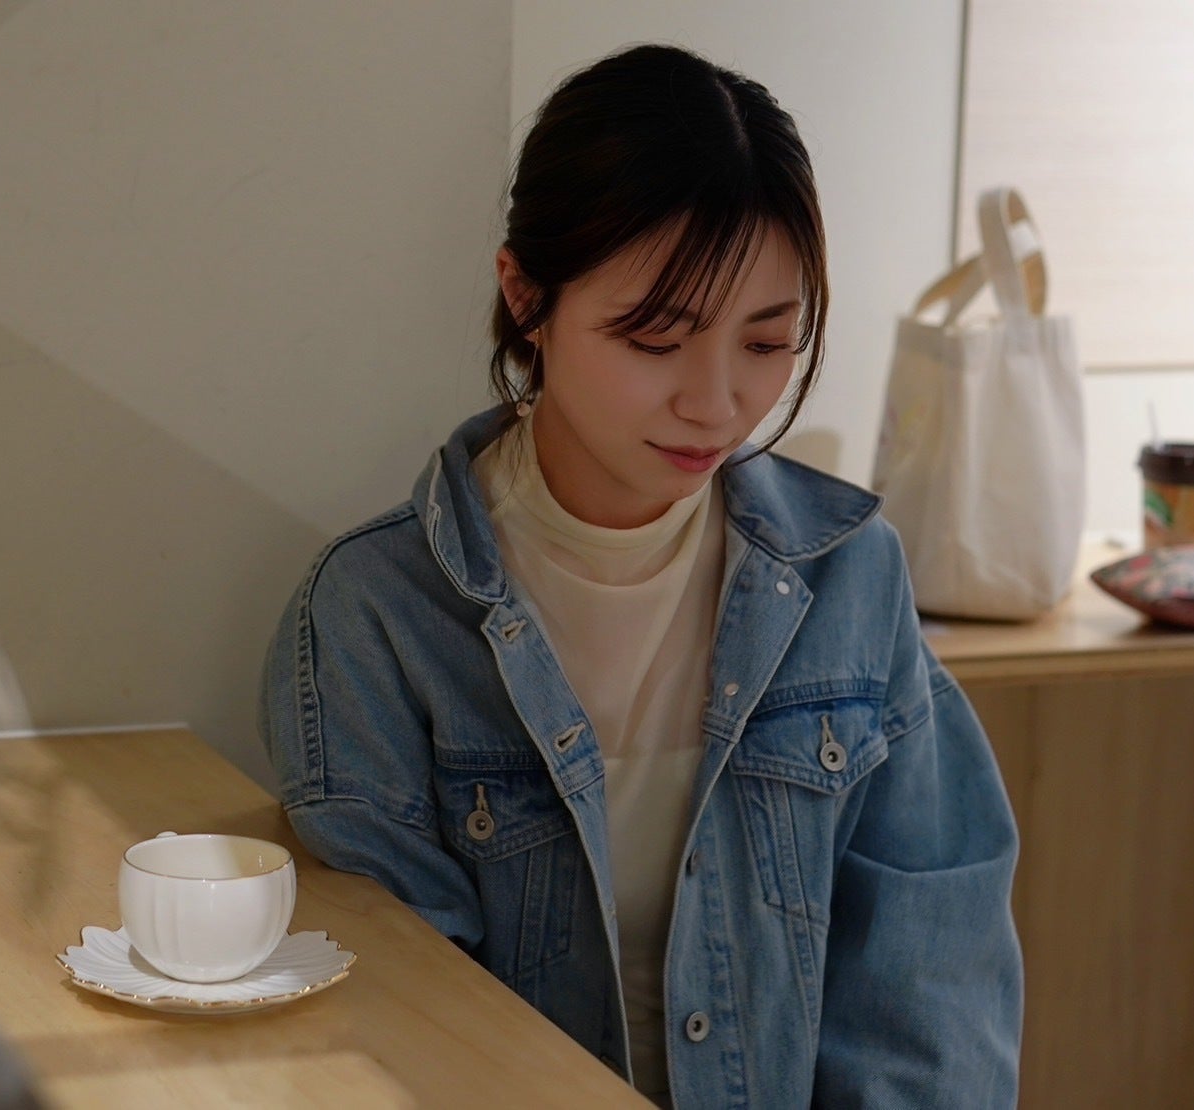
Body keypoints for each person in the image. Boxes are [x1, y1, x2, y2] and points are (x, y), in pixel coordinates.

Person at [260, 43, 1022, 1108]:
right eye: (656, 338)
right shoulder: (377, 615)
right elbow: (400, 1022)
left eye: (766, 342)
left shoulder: (848, 577)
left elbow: (928, 984)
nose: (715, 403)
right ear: (526, 297)